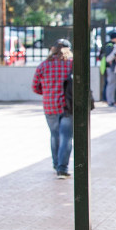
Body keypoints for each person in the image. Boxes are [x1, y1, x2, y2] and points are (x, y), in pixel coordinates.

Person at [32, 39, 74, 179]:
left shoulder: (44, 65)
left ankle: (56, 164)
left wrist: (48, 93)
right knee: (66, 137)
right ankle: (62, 168)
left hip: (49, 105)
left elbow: (35, 86)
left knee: (55, 135)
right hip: (67, 106)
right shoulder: (70, 64)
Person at [100, 31, 116, 106]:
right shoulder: (110, 45)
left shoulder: (109, 44)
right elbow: (109, 57)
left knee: (111, 83)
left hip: (112, 68)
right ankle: (109, 100)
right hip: (110, 67)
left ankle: (110, 99)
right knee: (111, 83)